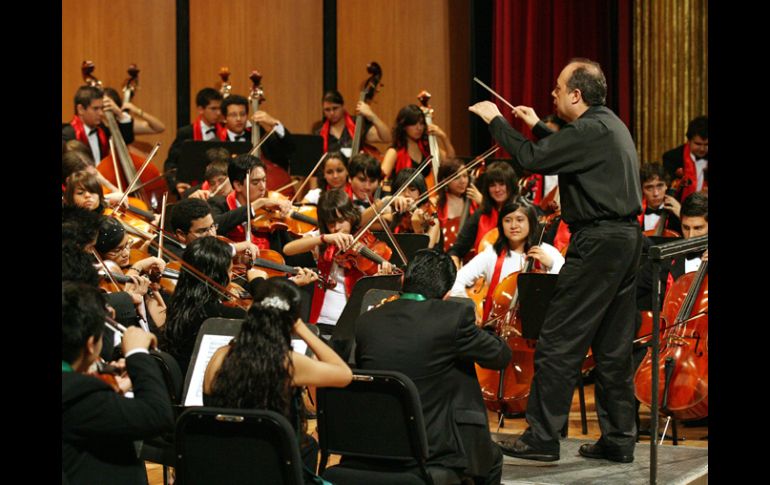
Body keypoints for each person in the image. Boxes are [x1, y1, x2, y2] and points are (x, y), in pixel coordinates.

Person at [469, 57, 643, 463]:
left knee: (558, 340)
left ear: (576, 95)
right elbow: (563, 150)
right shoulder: (608, 124)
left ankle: (542, 438)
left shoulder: (587, 129)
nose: (552, 94)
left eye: (557, 89)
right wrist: (537, 124)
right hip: (625, 239)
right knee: (613, 349)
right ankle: (618, 439)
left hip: (598, 242)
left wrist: (497, 121)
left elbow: (532, 158)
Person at [354, 249, 512, 484]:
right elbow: (499, 356)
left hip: (374, 438)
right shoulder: (453, 316)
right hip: (433, 446)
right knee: (492, 458)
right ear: (447, 294)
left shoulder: (367, 320)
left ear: (403, 280)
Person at [204, 278, 352, 483]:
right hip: (269, 464)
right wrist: (301, 328)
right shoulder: (288, 363)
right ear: (290, 320)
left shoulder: (220, 356)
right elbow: (344, 375)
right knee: (307, 445)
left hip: (221, 462)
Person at [62, 281, 174, 485]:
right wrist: (137, 353)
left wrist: (110, 388)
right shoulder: (77, 394)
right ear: (90, 345)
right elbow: (157, 415)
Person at [283, 189, 394, 331]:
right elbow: (288, 249)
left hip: (355, 319)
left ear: (350, 216)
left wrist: (379, 278)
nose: (336, 228)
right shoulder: (323, 238)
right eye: (331, 223)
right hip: (324, 320)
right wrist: (324, 238)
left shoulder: (360, 235)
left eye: (341, 221)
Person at [161, 236, 265, 374]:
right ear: (217, 277)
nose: (232, 275)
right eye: (229, 271)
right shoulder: (225, 317)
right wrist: (258, 282)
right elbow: (269, 319)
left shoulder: (177, 302)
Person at [449, 201, 564, 322]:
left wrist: (552, 265)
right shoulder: (492, 253)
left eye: (520, 220)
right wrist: (470, 307)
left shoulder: (547, 251)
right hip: (496, 329)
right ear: (501, 225)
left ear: (530, 222)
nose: (513, 225)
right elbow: (456, 280)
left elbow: (569, 283)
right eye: (507, 220)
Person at [447, 161, 519, 267]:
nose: (497, 189)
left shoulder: (521, 213)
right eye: (492, 185)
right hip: (482, 277)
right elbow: (457, 250)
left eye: (502, 184)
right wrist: (454, 261)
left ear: (511, 185)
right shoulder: (480, 214)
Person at [164, 87, 225, 196]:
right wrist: (176, 184)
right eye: (213, 108)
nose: (218, 113)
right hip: (193, 190)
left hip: (220, 189)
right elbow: (171, 163)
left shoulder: (225, 131)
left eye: (220, 108)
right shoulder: (186, 132)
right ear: (201, 109)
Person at [380, 104, 456, 182]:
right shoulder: (394, 151)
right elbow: (381, 177)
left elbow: (451, 161)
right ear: (404, 126)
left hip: (427, 193)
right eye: (414, 124)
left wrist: (444, 137)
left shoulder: (426, 148)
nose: (419, 128)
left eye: (421, 123)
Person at [62, 85, 135, 166]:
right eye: (95, 109)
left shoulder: (102, 131)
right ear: (81, 109)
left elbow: (126, 140)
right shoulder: (66, 135)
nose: (101, 113)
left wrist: (120, 114)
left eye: (102, 108)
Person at [218, 94, 293, 170]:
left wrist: (274, 123)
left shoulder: (258, 132)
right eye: (233, 115)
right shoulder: (218, 140)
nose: (239, 119)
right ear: (224, 118)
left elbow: (289, 147)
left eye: (242, 114)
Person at [315, 89, 391, 157]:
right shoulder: (320, 133)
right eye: (327, 110)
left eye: (335, 108)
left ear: (343, 106)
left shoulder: (358, 124)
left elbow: (387, 138)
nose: (332, 113)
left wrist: (372, 116)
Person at [436, 158, 482, 253]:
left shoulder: (474, 201)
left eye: (465, 176)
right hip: (445, 255)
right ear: (445, 180)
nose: (463, 181)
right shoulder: (436, 204)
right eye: (457, 177)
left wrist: (483, 202)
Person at [662, 115, 708, 201]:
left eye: (706, 145)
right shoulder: (672, 158)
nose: (702, 149)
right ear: (689, 141)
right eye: (698, 144)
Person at [638, 162, 681, 234]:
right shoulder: (635, 213)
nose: (656, 193)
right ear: (642, 189)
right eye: (649, 188)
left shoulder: (677, 213)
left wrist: (682, 215)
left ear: (666, 185)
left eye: (660, 186)